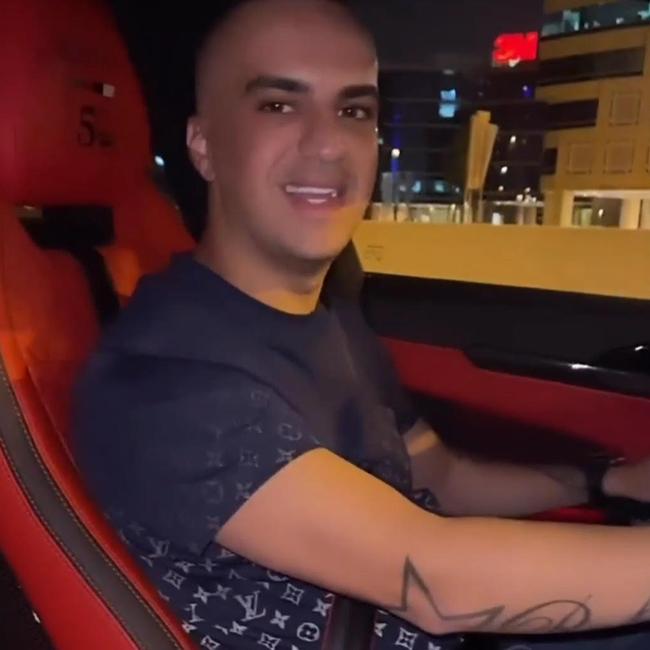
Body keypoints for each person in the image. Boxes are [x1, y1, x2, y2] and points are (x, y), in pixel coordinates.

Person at [73, 1, 650, 649]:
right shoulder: (164, 383)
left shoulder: (327, 319)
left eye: (354, 111)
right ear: (203, 144)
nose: (327, 144)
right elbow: (438, 581)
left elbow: (444, 480)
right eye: (278, 105)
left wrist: (608, 479)